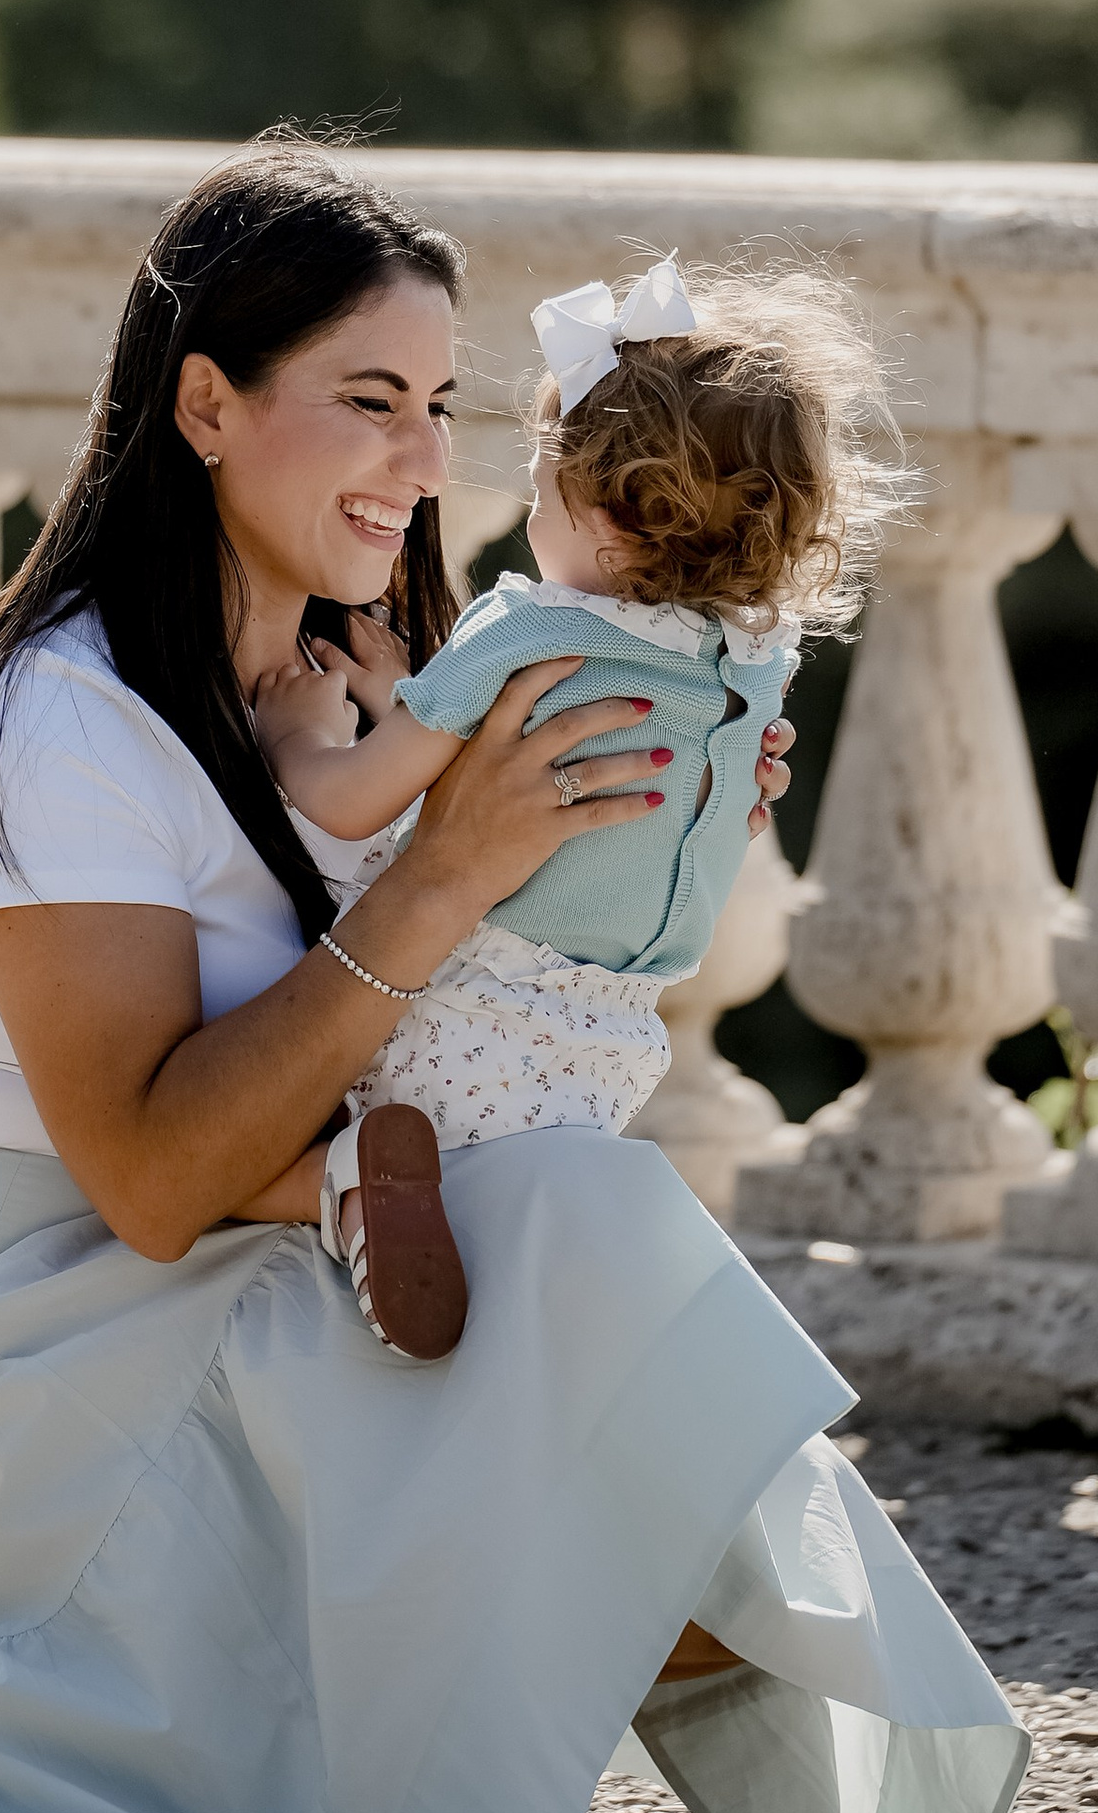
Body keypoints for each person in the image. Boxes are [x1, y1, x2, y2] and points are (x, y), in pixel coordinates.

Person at [0, 141, 1029, 1813]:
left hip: (248, 1245)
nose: (413, 455)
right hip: (1, 1347)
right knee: (525, 1228)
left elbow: (488, 961)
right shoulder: (58, 721)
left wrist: (664, 789)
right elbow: (144, 1183)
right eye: (363, 398)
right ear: (203, 405)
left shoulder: (367, 670)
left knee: (550, 1212)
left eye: (440, 405)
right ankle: (549, 1723)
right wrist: (437, 886)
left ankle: (618, 1642)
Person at [257, 252, 902, 1359]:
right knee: (508, 1202)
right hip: (615, 1023)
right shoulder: (750, 666)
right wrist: (401, 691)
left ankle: (349, 1185)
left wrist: (306, 733)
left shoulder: (527, 631)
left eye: (540, 484)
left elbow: (358, 800)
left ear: (602, 517)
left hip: (458, 987)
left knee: (287, 1117)